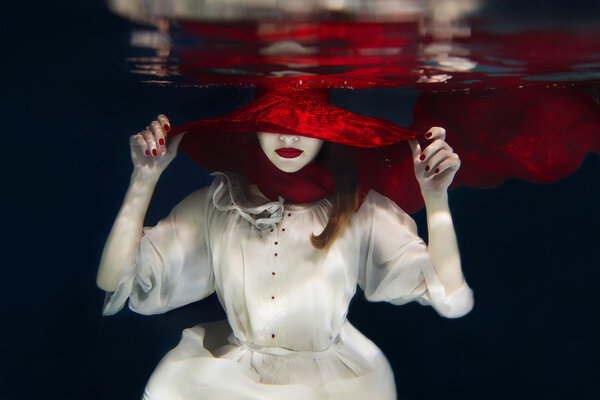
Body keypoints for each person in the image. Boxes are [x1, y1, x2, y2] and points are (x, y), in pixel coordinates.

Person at [97, 88, 473, 400]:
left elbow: (450, 295)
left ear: (326, 132)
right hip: (227, 385)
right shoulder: (221, 203)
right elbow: (115, 279)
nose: (289, 138)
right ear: (254, 128)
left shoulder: (360, 209)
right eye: (274, 124)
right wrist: (144, 180)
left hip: (337, 388)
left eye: (305, 126)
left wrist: (435, 197)